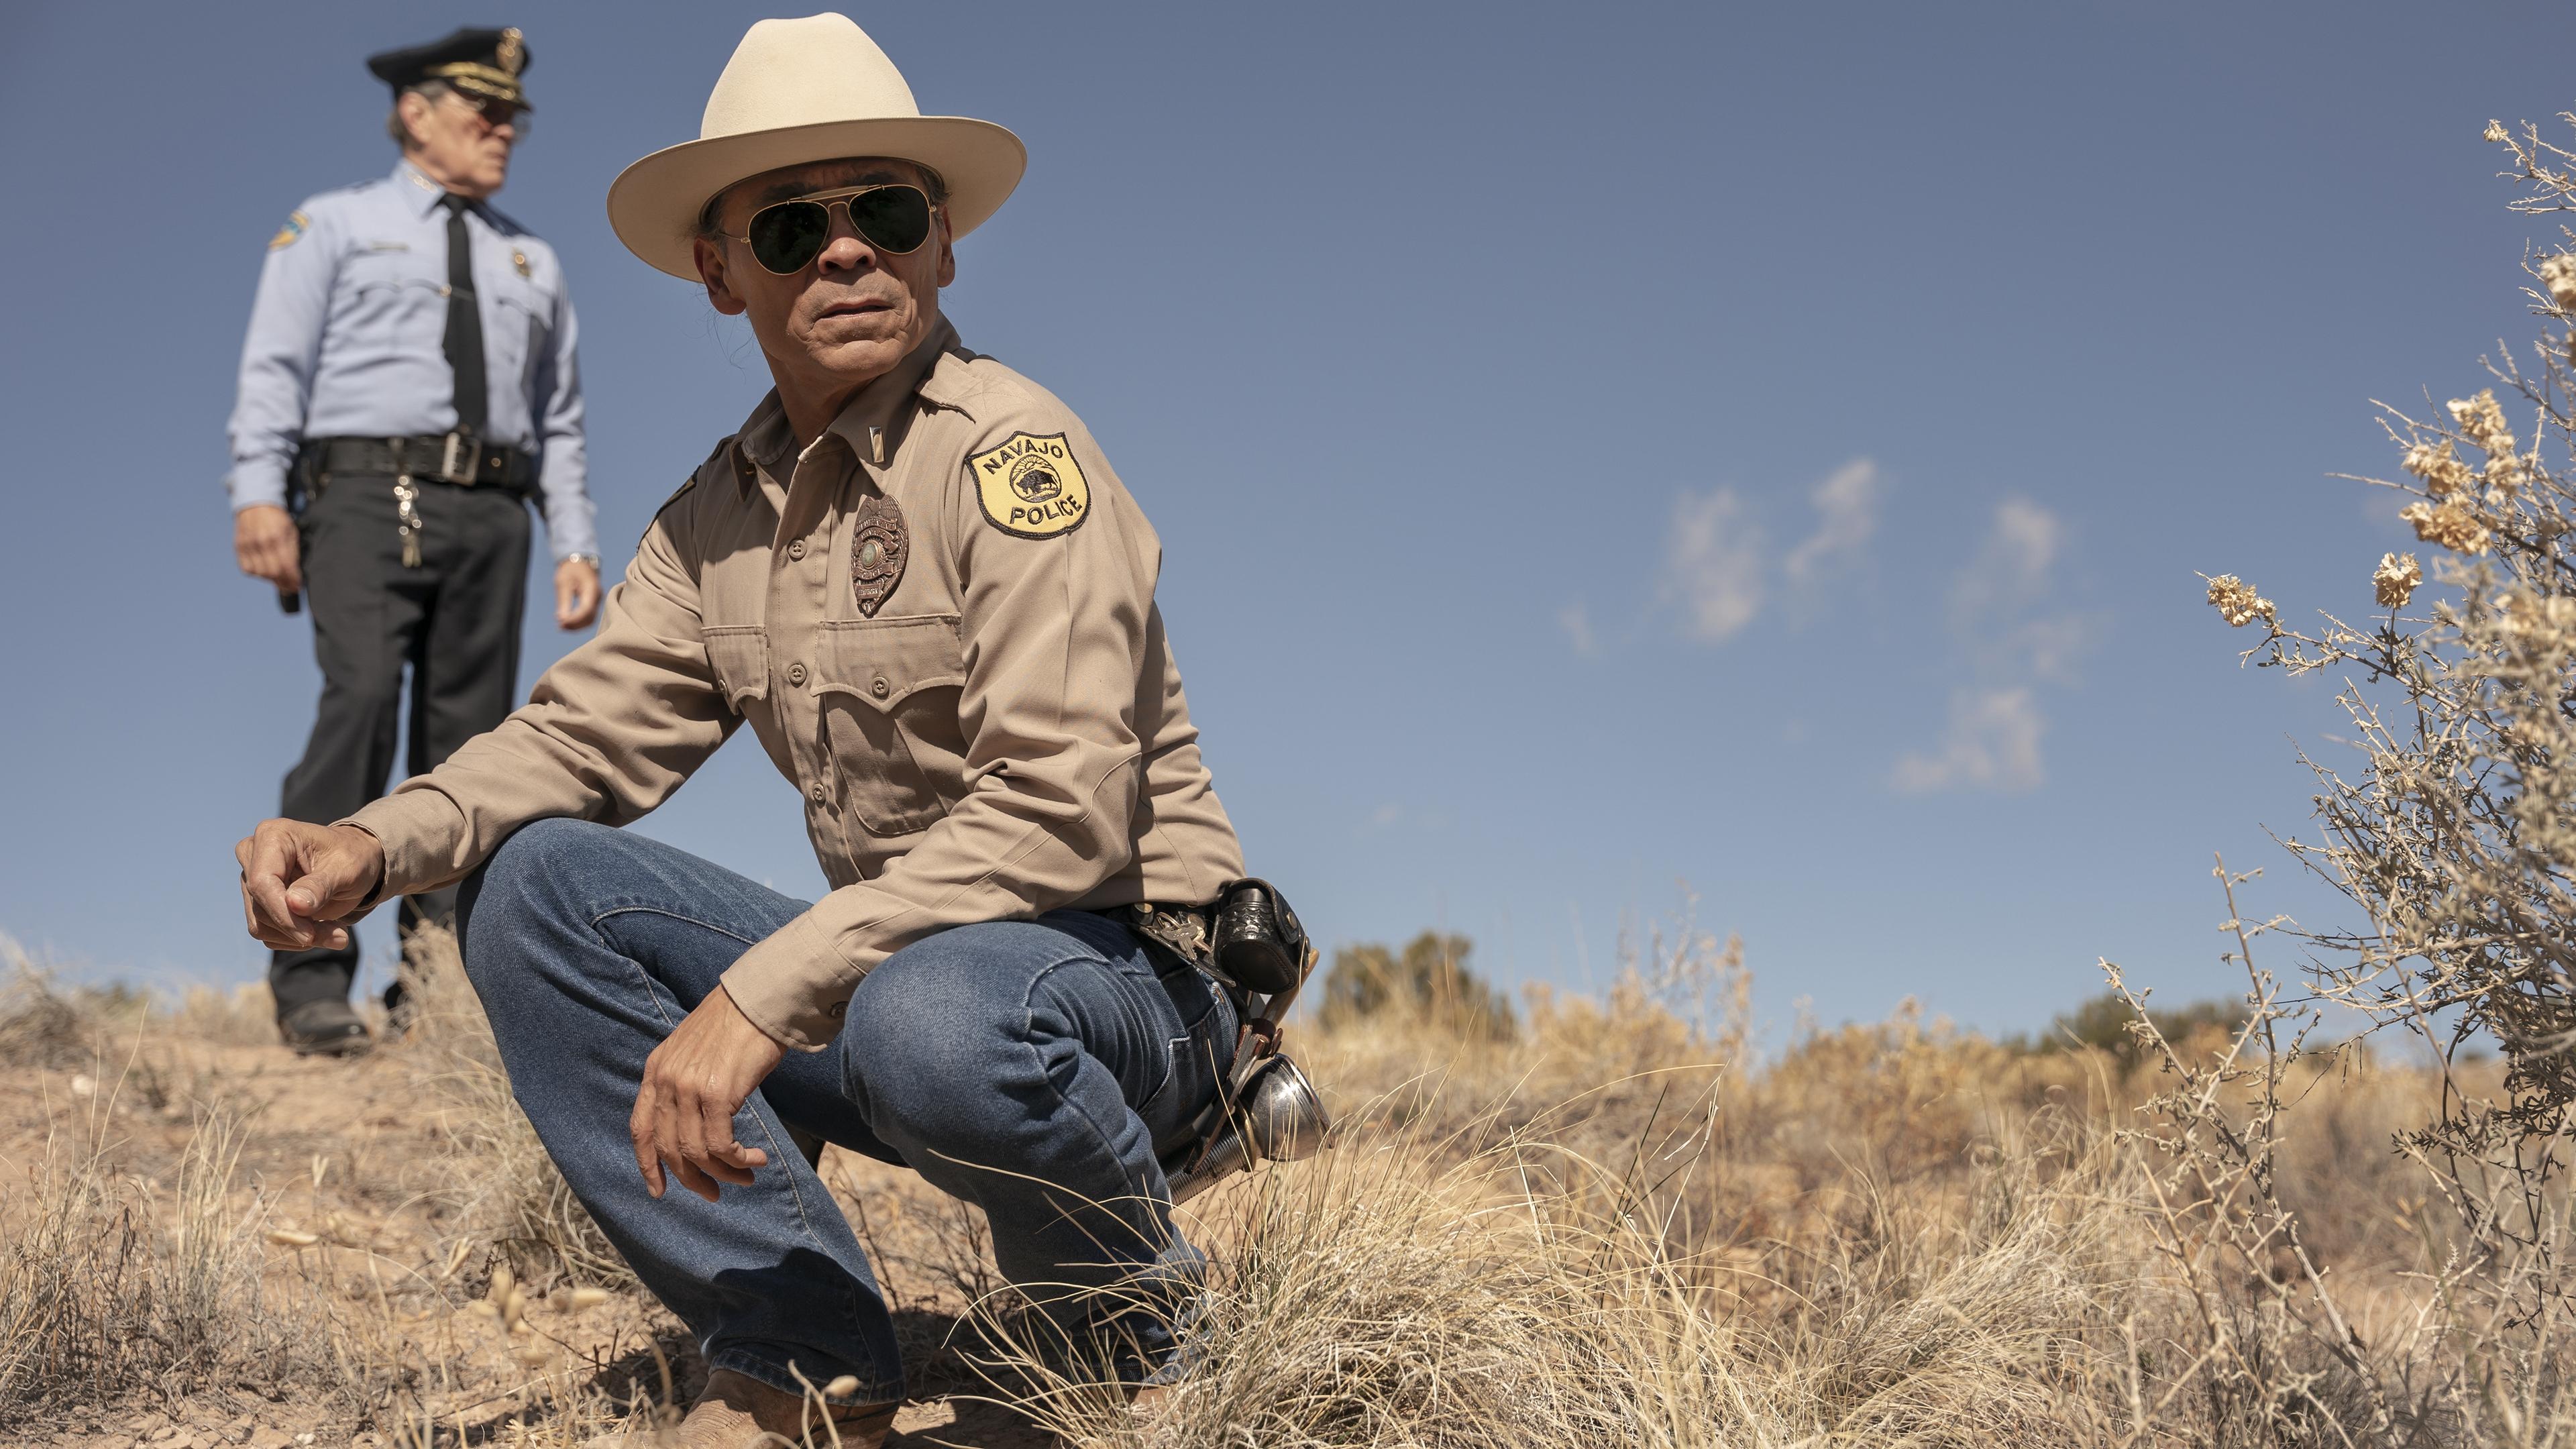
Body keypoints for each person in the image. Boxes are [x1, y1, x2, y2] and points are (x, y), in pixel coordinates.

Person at [235, 14, 1252, 1444]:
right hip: (910, 989)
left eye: (884, 213)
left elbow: (1060, 814)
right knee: (537, 888)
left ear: (942, 246)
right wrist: (370, 841)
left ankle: (1130, 1329)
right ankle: (802, 1358)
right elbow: (575, 738)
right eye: (788, 228)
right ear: (720, 274)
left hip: (1130, 982)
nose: (845, 253)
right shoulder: (718, 522)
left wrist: (764, 996)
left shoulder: (1014, 455)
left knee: (931, 1017)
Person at [227, 26, 601, 1055]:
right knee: (356, 706)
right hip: (363, 496)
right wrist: (258, 495)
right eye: (484, 110)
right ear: (415, 113)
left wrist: (575, 539)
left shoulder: (532, 259)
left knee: (474, 746)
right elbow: (274, 367)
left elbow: (560, 416)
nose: (505, 129)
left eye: (513, 116)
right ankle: (311, 975)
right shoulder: (334, 225)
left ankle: (431, 986)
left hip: (495, 511)